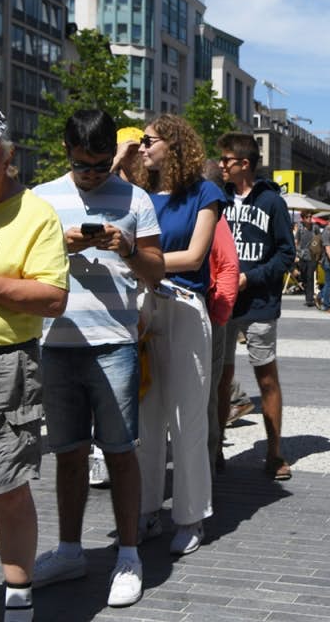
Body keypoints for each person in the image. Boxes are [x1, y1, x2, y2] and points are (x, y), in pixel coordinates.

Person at [31, 109, 165, 607]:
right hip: (55, 342)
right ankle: (70, 549)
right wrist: (58, 248)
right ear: (67, 152)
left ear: (115, 153)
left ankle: (128, 553)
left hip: (113, 342)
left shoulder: (136, 198)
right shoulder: (42, 199)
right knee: (67, 454)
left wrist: (126, 245)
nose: (92, 174)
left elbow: (155, 269)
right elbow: (26, 269)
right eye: (83, 165)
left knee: (120, 451)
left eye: (101, 164)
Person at [0, 104, 69, 622]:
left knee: (3, 487)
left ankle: (19, 596)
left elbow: (52, 298)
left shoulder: (35, 214)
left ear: (8, 158)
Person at [136, 114, 223, 556]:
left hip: (185, 305)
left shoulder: (203, 192)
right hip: (145, 307)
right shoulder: (139, 194)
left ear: (172, 143)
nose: (142, 146)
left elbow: (193, 257)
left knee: (187, 416)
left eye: (148, 140)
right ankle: (147, 506)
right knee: (146, 416)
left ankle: (190, 516)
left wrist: (138, 259)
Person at [216, 132, 295, 481]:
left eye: (226, 160)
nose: (220, 165)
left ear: (244, 164)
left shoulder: (271, 203)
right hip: (221, 302)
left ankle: (274, 453)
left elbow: (286, 254)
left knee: (266, 379)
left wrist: (252, 277)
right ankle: (214, 448)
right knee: (221, 378)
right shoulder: (217, 199)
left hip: (259, 303)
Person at [201, 159, 240, 476]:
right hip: (203, 314)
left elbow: (228, 267)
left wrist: (219, 314)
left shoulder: (215, 216)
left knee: (207, 396)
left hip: (208, 314)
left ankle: (207, 463)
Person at [295, 211, 317, 307]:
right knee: (304, 277)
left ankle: (310, 299)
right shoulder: (300, 228)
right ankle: (308, 294)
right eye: (307, 217)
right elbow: (296, 242)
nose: (309, 218)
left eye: (310, 216)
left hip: (312, 256)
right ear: (303, 218)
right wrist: (296, 254)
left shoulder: (315, 228)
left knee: (310, 277)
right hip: (302, 256)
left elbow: (319, 239)